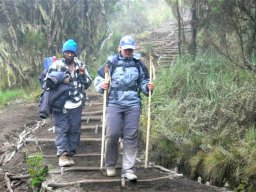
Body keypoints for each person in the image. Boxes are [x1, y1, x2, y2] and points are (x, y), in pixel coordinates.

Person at [94, 35, 155, 180]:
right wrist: (102, 85)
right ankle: (110, 164)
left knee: (131, 136)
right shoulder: (111, 63)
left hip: (133, 104)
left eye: (130, 50)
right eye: (126, 49)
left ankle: (128, 169)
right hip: (114, 102)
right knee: (112, 134)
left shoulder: (139, 64)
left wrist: (147, 87)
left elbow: (143, 82)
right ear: (119, 48)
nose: (128, 52)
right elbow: (99, 78)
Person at [46, 39, 92, 167]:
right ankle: (62, 155)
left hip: (76, 103)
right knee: (61, 129)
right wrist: (59, 80)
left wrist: (82, 75)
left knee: (75, 130)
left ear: (75, 53)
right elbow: (46, 83)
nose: (69, 55)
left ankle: (70, 153)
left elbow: (88, 84)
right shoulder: (56, 66)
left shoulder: (80, 65)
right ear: (63, 52)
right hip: (60, 104)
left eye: (72, 53)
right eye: (67, 52)